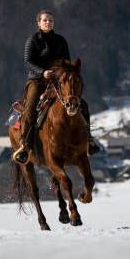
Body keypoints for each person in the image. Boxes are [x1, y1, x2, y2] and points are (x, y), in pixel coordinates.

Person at [13, 10, 98, 164]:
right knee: (30, 108)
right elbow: (28, 61)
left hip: (58, 81)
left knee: (81, 105)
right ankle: (25, 146)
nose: (48, 23)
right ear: (38, 23)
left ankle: (89, 140)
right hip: (37, 81)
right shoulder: (32, 40)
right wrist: (42, 72)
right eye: (45, 20)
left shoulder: (61, 40)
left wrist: (65, 75)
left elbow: (67, 61)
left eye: (51, 20)